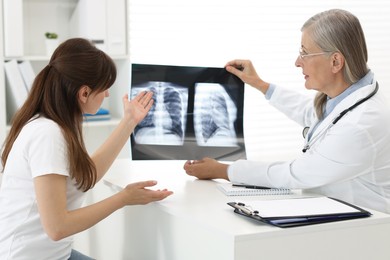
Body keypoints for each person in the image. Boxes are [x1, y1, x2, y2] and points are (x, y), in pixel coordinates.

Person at [183, 9, 390, 214]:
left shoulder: (361, 124)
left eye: (305, 53)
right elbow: (313, 115)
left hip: (367, 230)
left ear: (335, 61)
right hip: (341, 217)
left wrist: (223, 170)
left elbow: (295, 174)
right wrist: (260, 84)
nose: (297, 62)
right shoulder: (347, 98)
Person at [0, 38, 173, 260]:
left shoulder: (56, 125)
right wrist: (123, 198)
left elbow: (86, 176)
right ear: (84, 93)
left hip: (55, 254)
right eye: (105, 88)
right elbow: (57, 228)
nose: (108, 94)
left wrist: (129, 121)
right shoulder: (48, 134)